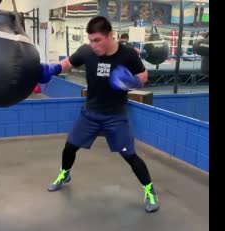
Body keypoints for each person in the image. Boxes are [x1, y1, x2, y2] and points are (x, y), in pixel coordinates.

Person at [39, 16, 159, 213]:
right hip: (90, 113)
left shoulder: (127, 54)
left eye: (97, 40)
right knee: (69, 147)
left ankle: (149, 190)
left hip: (116, 115)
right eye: (91, 40)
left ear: (110, 36)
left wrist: (133, 82)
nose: (93, 45)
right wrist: (52, 68)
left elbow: (143, 76)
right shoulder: (87, 51)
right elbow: (68, 63)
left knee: (130, 156)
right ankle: (64, 173)